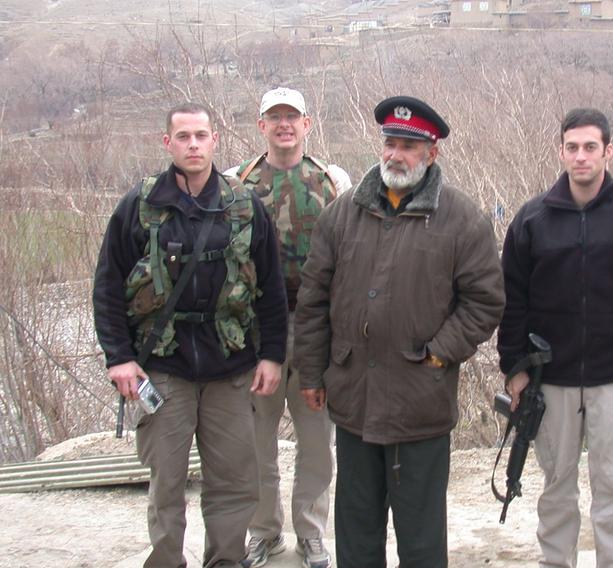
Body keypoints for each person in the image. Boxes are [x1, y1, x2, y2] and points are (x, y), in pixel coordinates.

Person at [294, 95, 505, 567]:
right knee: (356, 530)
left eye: (409, 146)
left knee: (421, 537)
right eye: (390, 142)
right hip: (354, 399)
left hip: (420, 403)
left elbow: (486, 301)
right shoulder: (343, 212)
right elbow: (313, 299)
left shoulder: (462, 218)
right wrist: (311, 373)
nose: (396, 154)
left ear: (432, 152)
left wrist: (439, 352)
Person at [93, 102, 288, 568]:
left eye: (201, 135)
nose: (193, 144)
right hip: (163, 368)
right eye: (183, 137)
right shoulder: (140, 207)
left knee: (234, 482)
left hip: (231, 365)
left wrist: (273, 355)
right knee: (167, 483)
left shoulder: (243, 206)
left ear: (214, 140)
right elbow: (108, 286)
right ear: (168, 143)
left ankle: (225, 561)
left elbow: (271, 289)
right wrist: (119, 357)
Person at [498, 108, 613, 568]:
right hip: (549, 380)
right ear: (561, 151)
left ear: (608, 151)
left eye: (590, 147)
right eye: (572, 147)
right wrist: (513, 368)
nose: (581, 157)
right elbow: (512, 301)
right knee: (556, 488)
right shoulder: (532, 220)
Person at [227, 87, 344, 568]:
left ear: (307, 123)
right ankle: (264, 532)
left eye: (291, 116)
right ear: (261, 126)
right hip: (257, 333)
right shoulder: (237, 184)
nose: (284, 125)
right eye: (274, 117)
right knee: (257, 443)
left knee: (317, 443)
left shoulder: (333, 183)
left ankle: (312, 534)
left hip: (318, 328)